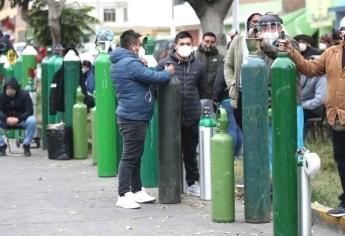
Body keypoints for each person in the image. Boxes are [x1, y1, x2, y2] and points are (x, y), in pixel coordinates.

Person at [280, 16, 345, 217]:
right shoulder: (331, 53)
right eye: (343, 30)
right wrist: (292, 52)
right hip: (337, 117)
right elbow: (311, 68)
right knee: (342, 159)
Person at [110, 29, 175, 209]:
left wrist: (141, 63)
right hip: (133, 117)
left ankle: (137, 190)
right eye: (139, 45)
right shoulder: (130, 63)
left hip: (133, 115)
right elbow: (154, 77)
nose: (141, 48)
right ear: (132, 46)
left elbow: (138, 78)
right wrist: (168, 72)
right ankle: (123, 194)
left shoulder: (125, 61)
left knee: (135, 156)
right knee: (130, 156)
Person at [157, 31, 206, 197]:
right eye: (182, 43)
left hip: (191, 116)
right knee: (171, 152)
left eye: (188, 43)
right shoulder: (164, 64)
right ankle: (173, 183)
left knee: (191, 153)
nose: (185, 47)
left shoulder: (199, 66)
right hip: (170, 119)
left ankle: (192, 182)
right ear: (175, 45)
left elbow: (203, 90)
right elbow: (156, 89)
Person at [224, 12, 262, 129]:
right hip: (241, 93)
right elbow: (228, 66)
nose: (256, 24)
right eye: (254, 21)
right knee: (244, 128)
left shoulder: (265, 42)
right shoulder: (238, 41)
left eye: (260, 22)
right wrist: (232, 84)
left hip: (260, 94)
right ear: (248, 23)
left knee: (258, 129)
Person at [0, 77, 36, 156]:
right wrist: (6, 118)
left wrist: (18, 119)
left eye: (11, 88)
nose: (9, 90)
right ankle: (1, 146)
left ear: (16, 88)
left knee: (32, 120)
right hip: (6, 121)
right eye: (7, 88)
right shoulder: (1, 95)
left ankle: (26, 145)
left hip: (22, 120)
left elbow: (30, 111)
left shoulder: (24, 94)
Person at [213, 61, 243, 159]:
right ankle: (237, 154)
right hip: (239, 99)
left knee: (230, 128)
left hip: (226, 99)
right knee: (238, 129)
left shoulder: (225, 66)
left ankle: (231, 154)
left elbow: (218, 85)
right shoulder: (241, 64)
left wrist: (216, 99)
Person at [195, 32, 224, 117]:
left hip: (213, 100)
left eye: (212, 42)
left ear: (215, 43)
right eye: (207, 41)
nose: (209, 44)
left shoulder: (220, 59)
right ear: (202, 41)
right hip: (197, 99)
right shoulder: (194, 56)